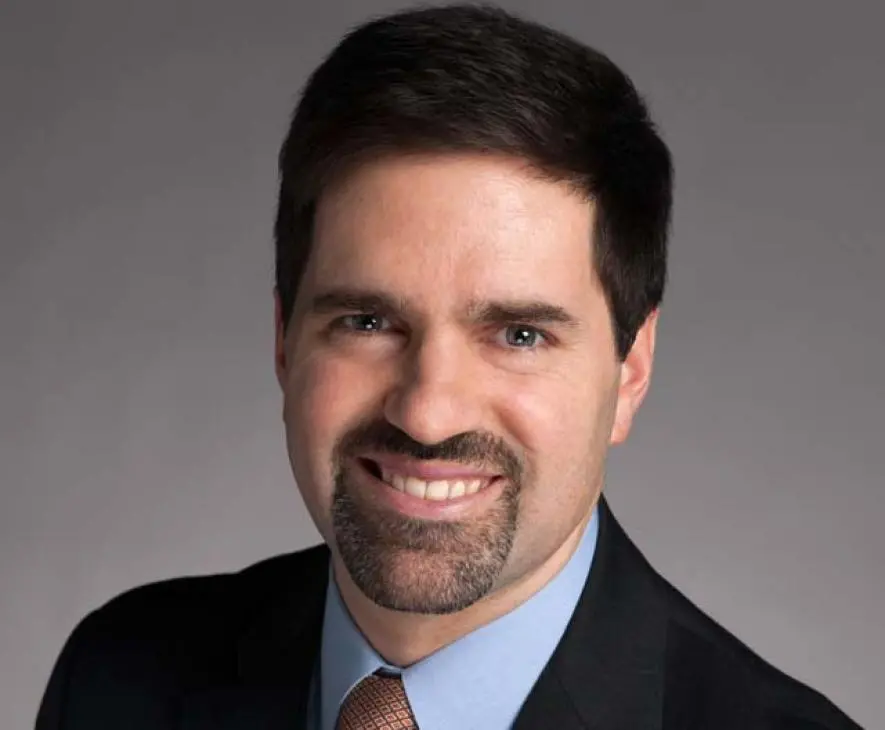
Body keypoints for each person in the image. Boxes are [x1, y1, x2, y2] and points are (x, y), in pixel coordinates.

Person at [35, 4, 862, 729]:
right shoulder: (119, 678)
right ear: (285, 343)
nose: (427, 413)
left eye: (519, 336)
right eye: (366, 321)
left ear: (630, 369)